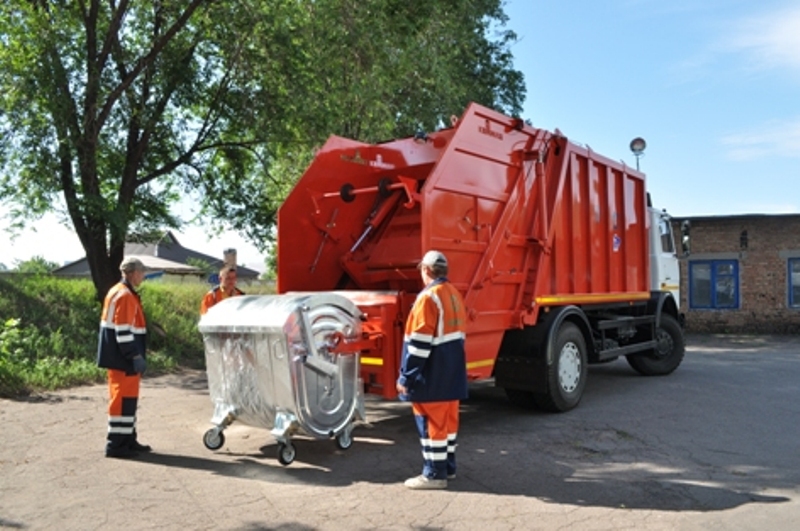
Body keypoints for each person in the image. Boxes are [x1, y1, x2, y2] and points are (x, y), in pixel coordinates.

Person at [396, 250, 468, 490]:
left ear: (425, 270)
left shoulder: (427, 298)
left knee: (431, 425)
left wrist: (406, 377)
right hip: (451, 373)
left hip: (432, 375)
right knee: (447, 425)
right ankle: (448, 468)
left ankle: (434, 475)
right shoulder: (454, 294)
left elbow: (419, 344)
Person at [96, 256, 151, 458]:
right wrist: (134, 355)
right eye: (142, 272)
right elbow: (123, 331)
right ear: (133, 273)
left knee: (127, 401)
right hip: (123, 359)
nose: (143, 276)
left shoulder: (117, 291)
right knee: (122, 401)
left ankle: (127, 440)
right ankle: (117, 445)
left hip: (118, 357)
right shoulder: (125, 295)